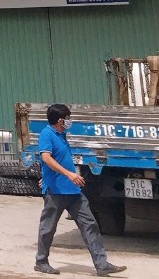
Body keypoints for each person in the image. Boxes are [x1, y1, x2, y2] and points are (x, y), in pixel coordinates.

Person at [35, 104, 125, 276]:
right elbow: (46, 158)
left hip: (73, 191)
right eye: (67, 118)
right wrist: (69, 174)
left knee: (90, 224)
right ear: (60, 120)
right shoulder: (47, 134)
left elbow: (57, 160)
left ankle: (102, 264)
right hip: (56, 191)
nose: (70, 121)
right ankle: (41, 261)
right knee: (48, 228)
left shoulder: (62, 135)